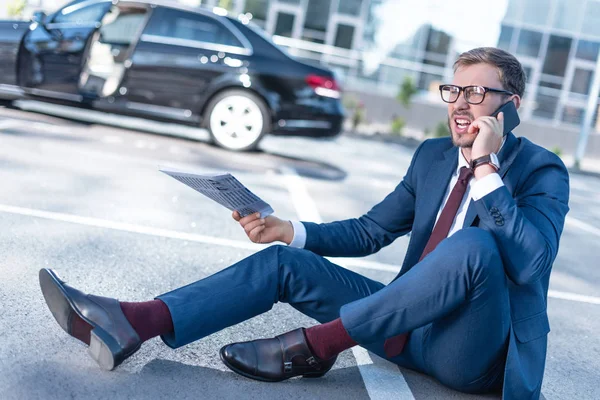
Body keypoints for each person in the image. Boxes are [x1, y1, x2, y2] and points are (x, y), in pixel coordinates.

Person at [39, 47, 569, 400]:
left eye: (477, 93)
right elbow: (369, 231)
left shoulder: (541, 169)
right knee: (282, 262)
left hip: (471, 354)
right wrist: (287, 229)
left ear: (511, 106)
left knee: (477, 247)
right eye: (453, 91)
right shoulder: (432, 157)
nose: (460, 103)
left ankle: (316, 347)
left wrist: (485, 168)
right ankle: (135, 321)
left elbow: (529, 263)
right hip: (403, 326)